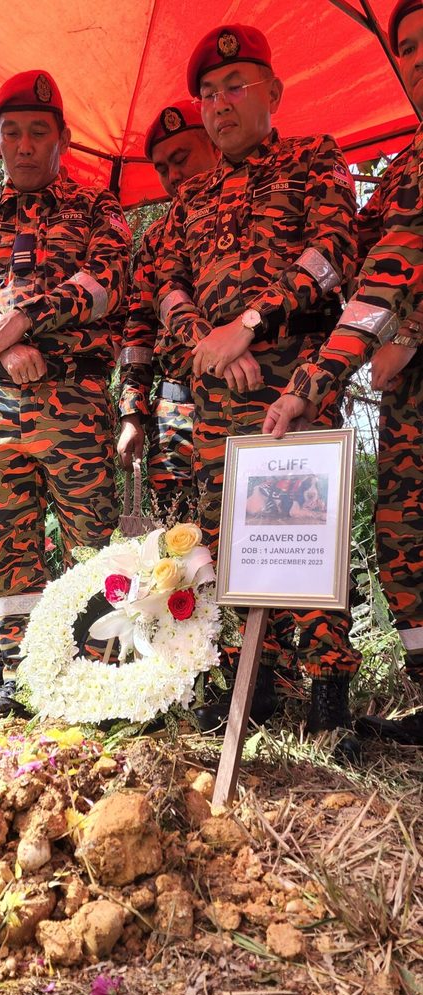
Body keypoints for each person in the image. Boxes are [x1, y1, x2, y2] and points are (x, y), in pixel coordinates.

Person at [155, 24, 362, 731]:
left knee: (304, 532)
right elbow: (168, 288)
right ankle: (257, 691)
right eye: (208, 93)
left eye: (234, 87)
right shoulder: (190, 198)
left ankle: (330, 698)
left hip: (294, 382)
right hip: (216, 392)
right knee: (229, 543)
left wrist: (247, 323)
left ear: (272, 91)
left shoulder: (314, 158)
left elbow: (332, 253)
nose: (219, 103)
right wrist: (207, 344)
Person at [0, 70, 130, 718]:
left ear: (62, 140)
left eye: (38, 133)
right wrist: (4, 343)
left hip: (73, 403)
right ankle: (22, 679)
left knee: (90, 543)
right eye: (12, 133)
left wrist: (27, 319)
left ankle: (100, 678)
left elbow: (102, 284)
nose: (24, 145)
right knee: (7, 544)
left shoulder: (96, 210)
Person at [263, 0, 423, 728]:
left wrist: (310, 385)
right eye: (409, 50)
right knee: (402, 535)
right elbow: (361, 263)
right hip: (408, 400)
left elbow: (392, 275)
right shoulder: (402, 169)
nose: (417, 60)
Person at [117, 100, 218, 516]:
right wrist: (132, 414)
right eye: (161, 167)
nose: (173, 175)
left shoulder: (256, 214)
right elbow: (138, 331)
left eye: (181, 158)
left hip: (250, 394)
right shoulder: (155, 239)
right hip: (176, 402)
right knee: (176, 535)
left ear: (214, 143)